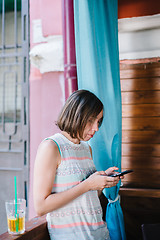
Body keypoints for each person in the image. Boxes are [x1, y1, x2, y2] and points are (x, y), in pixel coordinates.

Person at [33, 89, 122, 240]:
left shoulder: (87, 148)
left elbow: (87, 196)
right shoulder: (51, 147)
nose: (96, 128)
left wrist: (101, 181)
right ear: (77, 114)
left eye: (98, 121)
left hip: (99, 234)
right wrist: (88, 184)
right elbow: (41, 207)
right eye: (91, 120)